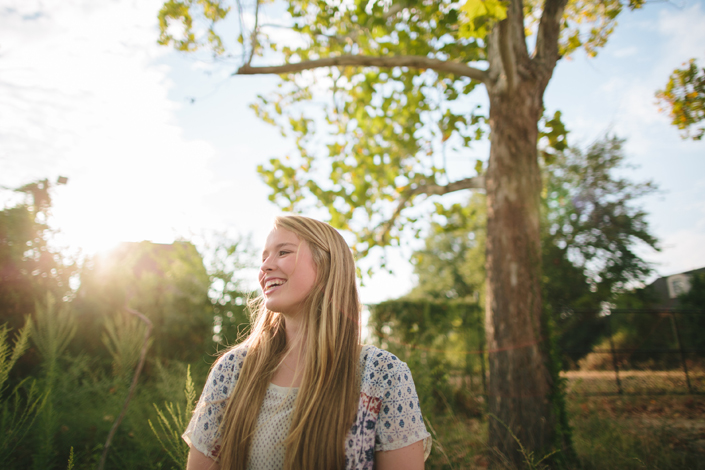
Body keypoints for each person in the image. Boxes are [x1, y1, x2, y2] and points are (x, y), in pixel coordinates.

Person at [183, 215, 432, 470]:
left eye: (283, 252)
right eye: (263, 257)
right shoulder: (232, 370)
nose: (265, 267)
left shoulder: (381, 374)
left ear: (326, 265)